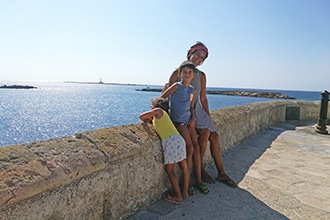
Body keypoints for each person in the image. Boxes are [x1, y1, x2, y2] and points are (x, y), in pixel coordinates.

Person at [168, 42, 238, 187]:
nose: (199, 60)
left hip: (197, 109)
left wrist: (208, 117)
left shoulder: (201, 76)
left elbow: (203, 98)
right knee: (204, 135)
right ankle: (200, 170)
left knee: (215, 136)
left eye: (202, 58)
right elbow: (168, 96)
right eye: (197, 55)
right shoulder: (178, 73)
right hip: (185, 112)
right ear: (190, 53)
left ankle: (221, 173)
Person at [161, 61, 209, 195]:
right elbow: (162, 98)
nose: (187, 74)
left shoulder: (192, 90)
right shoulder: (176, 86)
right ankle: (186, 183)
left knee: (196, 147)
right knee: (190, 148)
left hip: (188, 121)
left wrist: (193, 119)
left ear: (194, 75)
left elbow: (191, 106)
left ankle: (197, 180)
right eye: (184, 72)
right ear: (180, 74)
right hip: (178, 122)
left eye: (189, 72)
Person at [139, 97, 190, 204]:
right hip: (179, 139)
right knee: (184, 167)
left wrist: (151, 113)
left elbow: (141, 116)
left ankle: (177, 196)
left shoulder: (159, 111)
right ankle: (185, 191)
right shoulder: (164, 118)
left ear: (155, 106)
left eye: (151, 107)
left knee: (169, 170)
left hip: (170, 142)